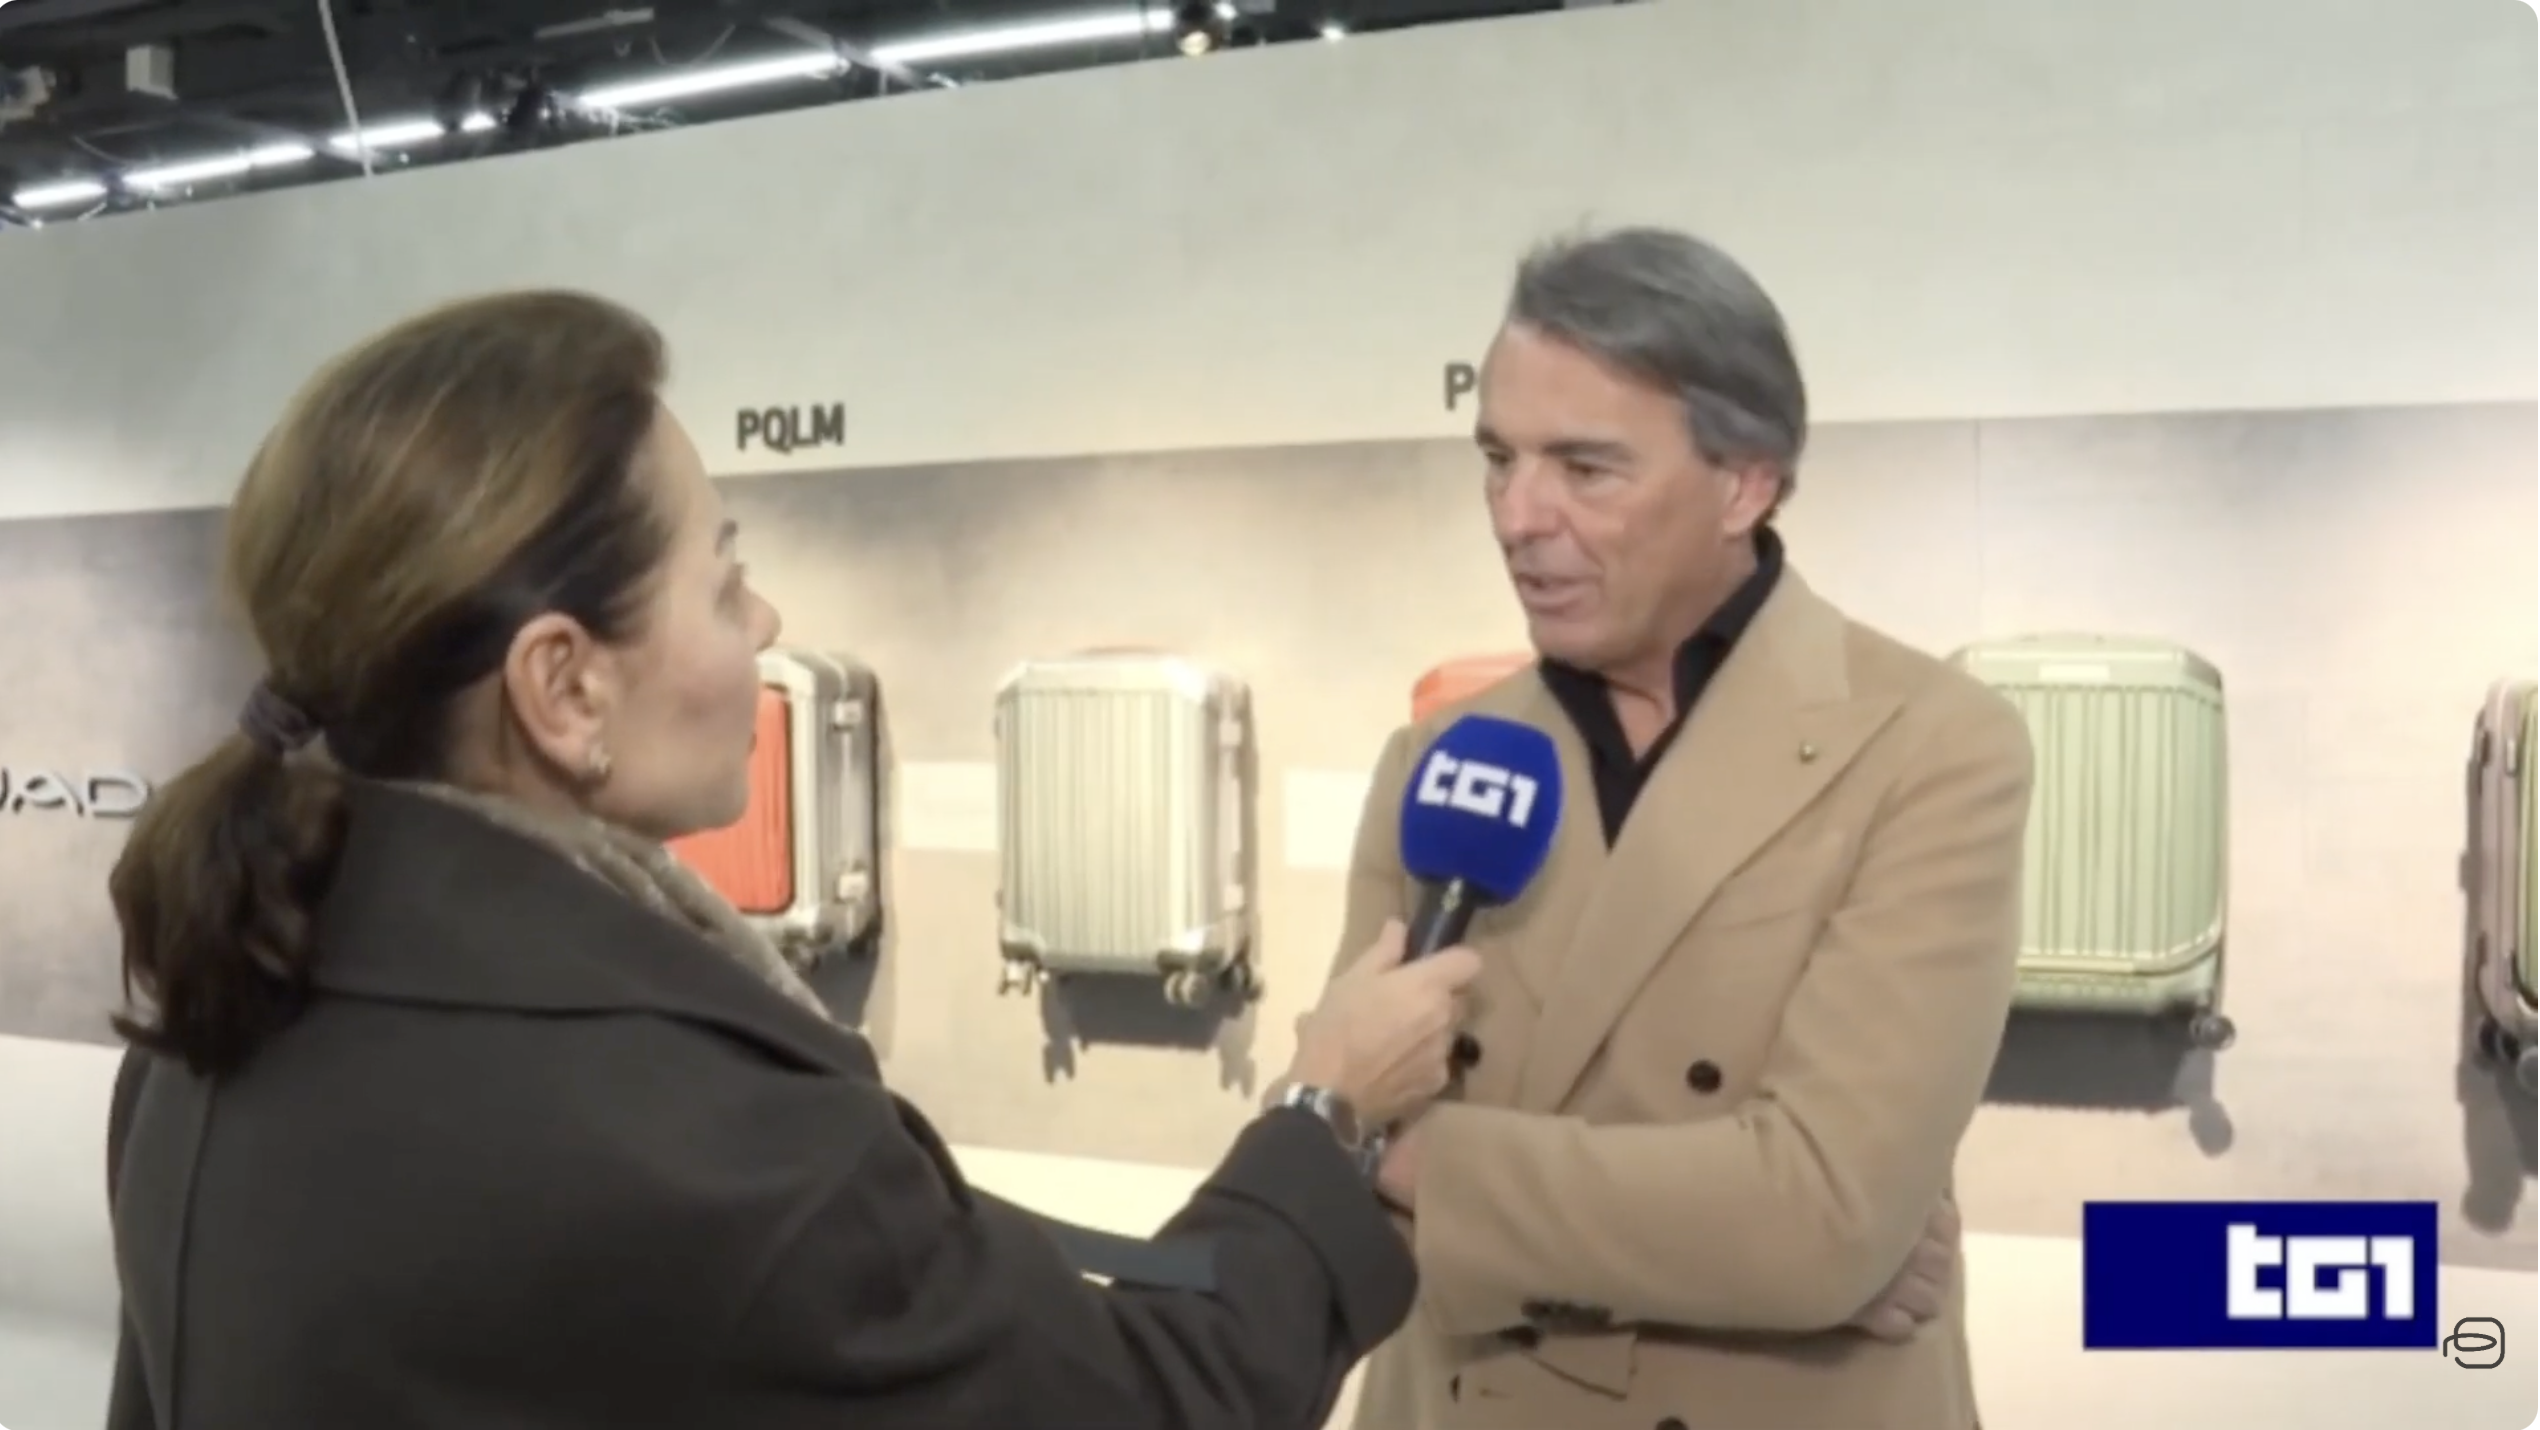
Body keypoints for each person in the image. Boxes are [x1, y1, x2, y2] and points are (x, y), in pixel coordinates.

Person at [99, 289, 1484, 1429]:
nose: (764, 619)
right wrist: (1325, 1110)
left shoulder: (208, 1023)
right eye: (721, 577)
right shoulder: (706, 1144)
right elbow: (1146, 1404)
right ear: (563, 687)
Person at [1325, 228, 2034, 1430]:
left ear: (1743, 483)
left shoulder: (1931, 746)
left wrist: (1425, 1170)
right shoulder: (1436, 760)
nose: (1516, 514)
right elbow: (1334, 1142)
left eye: (1584, 468)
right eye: (1497, 457)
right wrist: (1744, 1245)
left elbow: (1815, 1217)